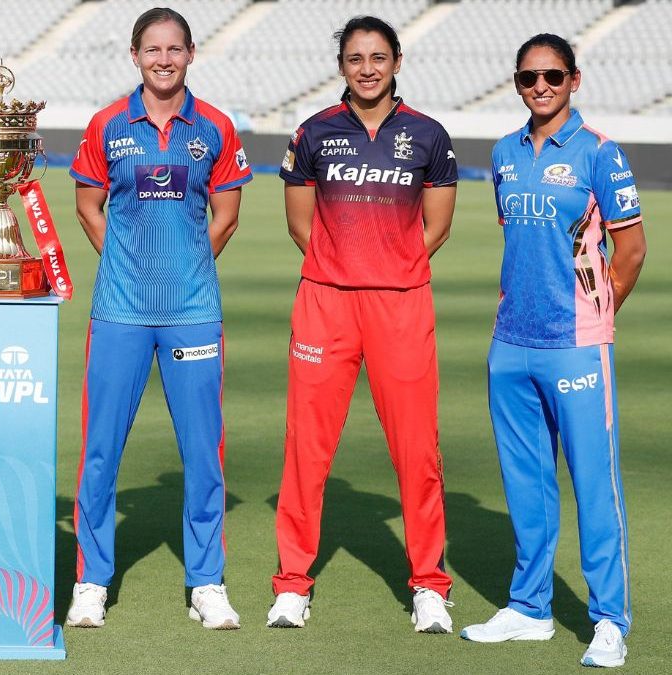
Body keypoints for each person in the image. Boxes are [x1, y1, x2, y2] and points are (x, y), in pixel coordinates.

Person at [267, 16, 458, 633]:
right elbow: (301, 224)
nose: (367, 68)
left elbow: (438, 226)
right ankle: (292, 584)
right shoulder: (314, 132)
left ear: (397, 60)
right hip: (326, 303)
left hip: (401, 304)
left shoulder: (428, 135)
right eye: (355, 58)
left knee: (416, 449)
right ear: (342, 65)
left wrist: (391, 267)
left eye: (378, 57)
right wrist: (341, 268)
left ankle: (429, 584)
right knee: (307, 447)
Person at [460, 34, 645, 669]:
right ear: (516, 82)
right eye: (529, 76)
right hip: (510, 343)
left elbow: (631, 249)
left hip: (576, 347)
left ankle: (609, 620)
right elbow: (520, 240)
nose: (541, 86)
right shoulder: (505, 153)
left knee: (595, 485)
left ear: (574, 79)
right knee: (526, 485)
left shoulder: (600, 153)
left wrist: (597, 311)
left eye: (553, 75)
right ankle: (530, 609)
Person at [66, 7, 252, 630]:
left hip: (193, 313)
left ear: (191, 54)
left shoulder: (217, 126)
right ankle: (92, 580)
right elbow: (89, 204)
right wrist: (129, 264)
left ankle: (206, 582)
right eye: (153, 50)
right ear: (135, 55)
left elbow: (225, 216)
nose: (163, 60)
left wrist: (185, 268)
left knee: (203, 452)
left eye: (174, 49)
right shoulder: (107, 124)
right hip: (119, 311)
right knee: (100, 451)